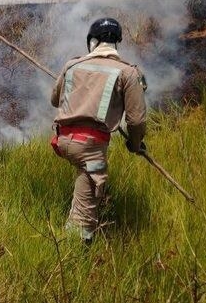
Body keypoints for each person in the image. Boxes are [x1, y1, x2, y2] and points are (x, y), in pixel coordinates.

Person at [50, 17, 147, 244]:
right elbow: (136, 121)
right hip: (90, 148)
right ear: (117, 43)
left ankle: (75, 226)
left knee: (83, 184)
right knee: (86, 210)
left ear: (92, 42)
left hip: (64, 141)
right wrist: (134, 145)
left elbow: (55, 100)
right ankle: (75, 250)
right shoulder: (129, 73)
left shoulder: (72, 65)